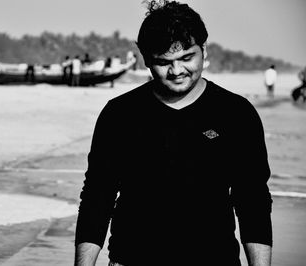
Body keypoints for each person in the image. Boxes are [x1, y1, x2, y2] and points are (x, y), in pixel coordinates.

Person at [75, 1, 273, 265]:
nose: (177, 71)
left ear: (204, 50)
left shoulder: (236, 114)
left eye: (186, 58)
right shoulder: (120, 115)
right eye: (163, 62)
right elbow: (96, 199)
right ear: (146, 59)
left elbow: (253, 202)